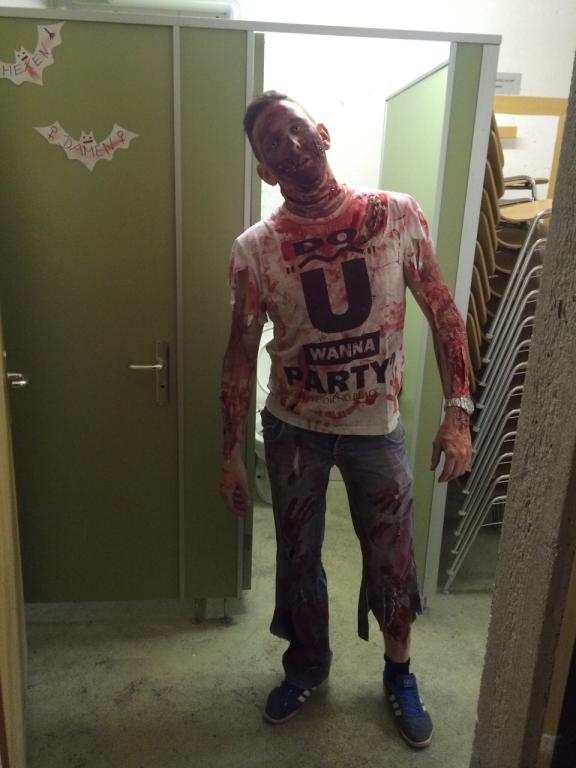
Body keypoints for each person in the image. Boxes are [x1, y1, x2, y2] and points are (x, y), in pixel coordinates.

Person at [219, 90, 473, 750]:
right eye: (271, 143)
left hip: (375, 428)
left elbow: (444, 312)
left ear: (323, 133)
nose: (289, 143)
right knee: (298, 557)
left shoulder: (396, 214)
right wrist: (230, 453)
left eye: (296, 128)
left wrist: (459, 413)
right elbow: (239, 355)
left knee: (393, 558)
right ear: (264, 171)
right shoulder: (255, 249)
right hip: (293, 429)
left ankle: (399, 671)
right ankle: (307, 665)